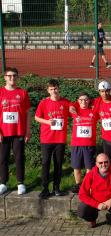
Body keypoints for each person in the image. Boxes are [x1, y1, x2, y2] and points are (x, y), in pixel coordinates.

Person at [35, 79, 71, 199]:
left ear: (58, 88)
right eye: (51, 89)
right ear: (48, 90)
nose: (54, 91)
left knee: (58, 164)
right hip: (46, 139)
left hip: (60, 139)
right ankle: (45, 188)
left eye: (55, 88)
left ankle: (56, 188)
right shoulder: (44, 103)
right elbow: (36, 117)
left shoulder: (65, 102)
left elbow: (74, 111)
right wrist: (48, 122)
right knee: (45, 163)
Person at [78, 153, 111, 232]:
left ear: (109, 162)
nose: (104, 164)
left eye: (106, 162)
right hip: (96, 202)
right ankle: (92, 219)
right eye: (100, 163)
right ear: (96, 164)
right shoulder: (90, 174)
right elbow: (82, 194)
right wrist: (97, 204)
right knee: (82, 210)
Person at [0, 67, 31, 195]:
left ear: (17, 77)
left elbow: (28, 113)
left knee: (19, 157)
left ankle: (20, 182)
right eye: (10, 75)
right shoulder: (0, 92)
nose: (12, 78)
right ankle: (3, 183)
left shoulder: (23, 93)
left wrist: (28, 131)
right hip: (3, 132)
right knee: (3, 158)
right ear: (5, 77)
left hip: (18, 131)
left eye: (14, 75)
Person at [70, 93, 98, 194]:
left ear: (89, 100)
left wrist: (92, 102)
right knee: (76, 166)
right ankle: (78, 184)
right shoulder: (74, 110)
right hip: (76, 144)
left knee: (89, 167)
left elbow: (99, 102)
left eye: (86, 100)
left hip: (89, 144)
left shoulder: (94, 111)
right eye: (81, 100)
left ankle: (87, 185)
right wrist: (73, 105)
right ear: (78, 101)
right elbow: (69, 104)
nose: (83, 102)